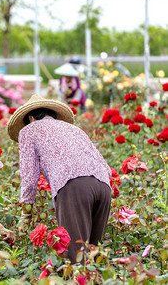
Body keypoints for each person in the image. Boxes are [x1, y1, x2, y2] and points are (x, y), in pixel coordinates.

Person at [6, 94, 112, 263]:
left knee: (76, 259)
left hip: (74, 186)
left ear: (31, 118)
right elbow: (107, 169)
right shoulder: (75, 129)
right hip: (104, 187)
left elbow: (29, 177)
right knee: (94, 257)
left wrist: (25, 216)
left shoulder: (28, 131)